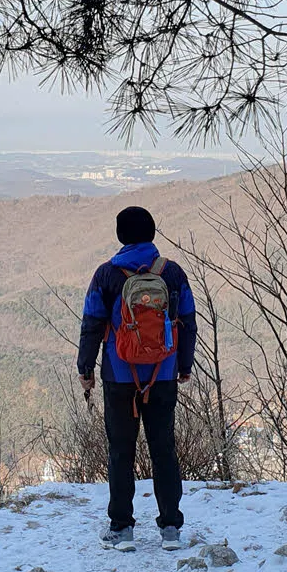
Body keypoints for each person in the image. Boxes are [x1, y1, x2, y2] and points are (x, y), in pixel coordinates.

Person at [77, 204, 197, 552]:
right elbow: (188, 322)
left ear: (120, 236)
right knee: (164, 449)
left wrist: (85, 370)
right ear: (152, 234)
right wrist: (184, 365)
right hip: (162, 374)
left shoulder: (107, 275)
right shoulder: (172, 274)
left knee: (120, 451)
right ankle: (171, 527)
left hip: (120, 375)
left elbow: (91, 325)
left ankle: (122, 528)